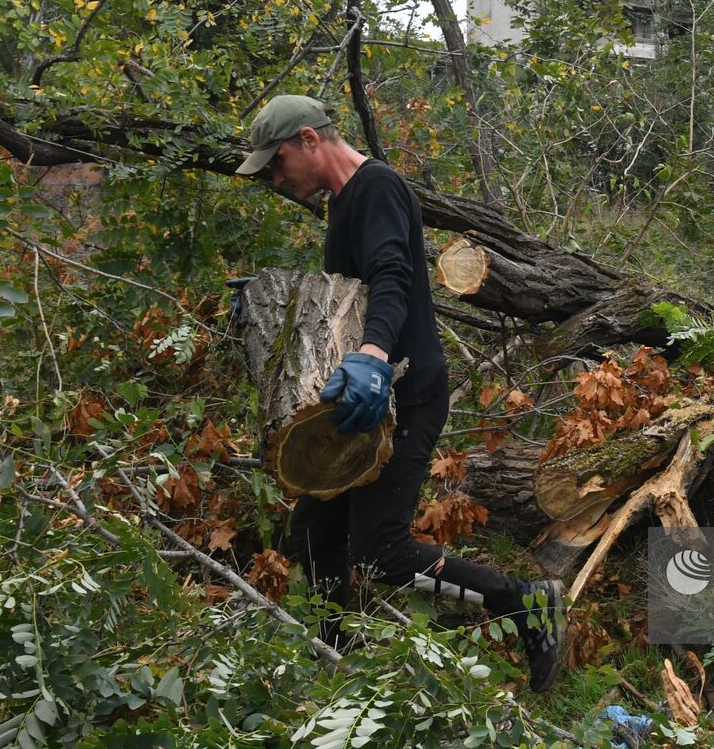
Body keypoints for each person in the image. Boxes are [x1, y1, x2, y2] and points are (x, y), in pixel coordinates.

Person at [235, 94, 564, 690]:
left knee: (380, 552)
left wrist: (374, 356)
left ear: (310, 140)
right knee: (312, 531)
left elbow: (392, 276)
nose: (277, 179)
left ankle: (525, 602)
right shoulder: (343, 204)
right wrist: (271, 296)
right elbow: (347, 296)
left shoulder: (377, 187)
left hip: (402, 396)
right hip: (367, 398)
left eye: (278, 162)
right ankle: (337, 657)